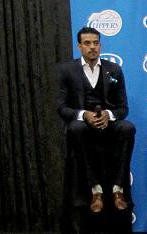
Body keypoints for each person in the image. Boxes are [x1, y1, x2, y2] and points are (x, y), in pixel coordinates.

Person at [56, 27, 136, 214]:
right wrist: (84, 115)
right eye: (87, 43)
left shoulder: (114, 69)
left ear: (100, 45)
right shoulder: (66, 71)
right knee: (77, 128)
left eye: (96, 43)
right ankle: (96, 190)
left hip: (109, 124)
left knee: (128, 128)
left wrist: (109, 115)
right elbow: (61, 108)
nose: (92, 47)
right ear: (79, 46)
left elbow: (123, 108)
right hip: (83, 124)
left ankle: (117, 189)